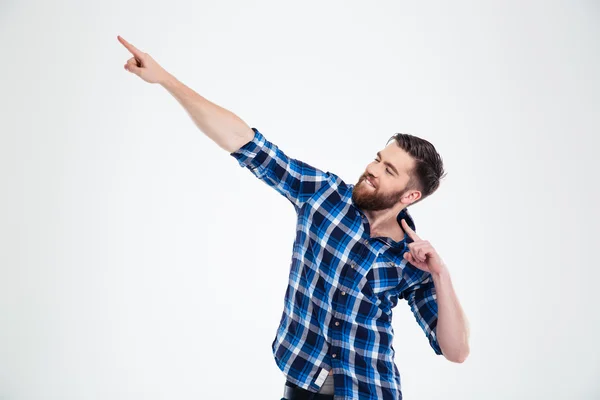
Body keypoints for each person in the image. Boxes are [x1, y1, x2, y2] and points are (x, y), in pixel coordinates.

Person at [118, 35, 470, 400]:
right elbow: (245, 141)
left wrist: (440, 275)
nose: (373, 170)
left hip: (370, 391)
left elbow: (456, 351)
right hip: (302, 387)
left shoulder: (414, 259)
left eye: (389, 171)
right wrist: (165, 80)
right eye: (378, 159)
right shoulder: (323, 195)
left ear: (411, 195)